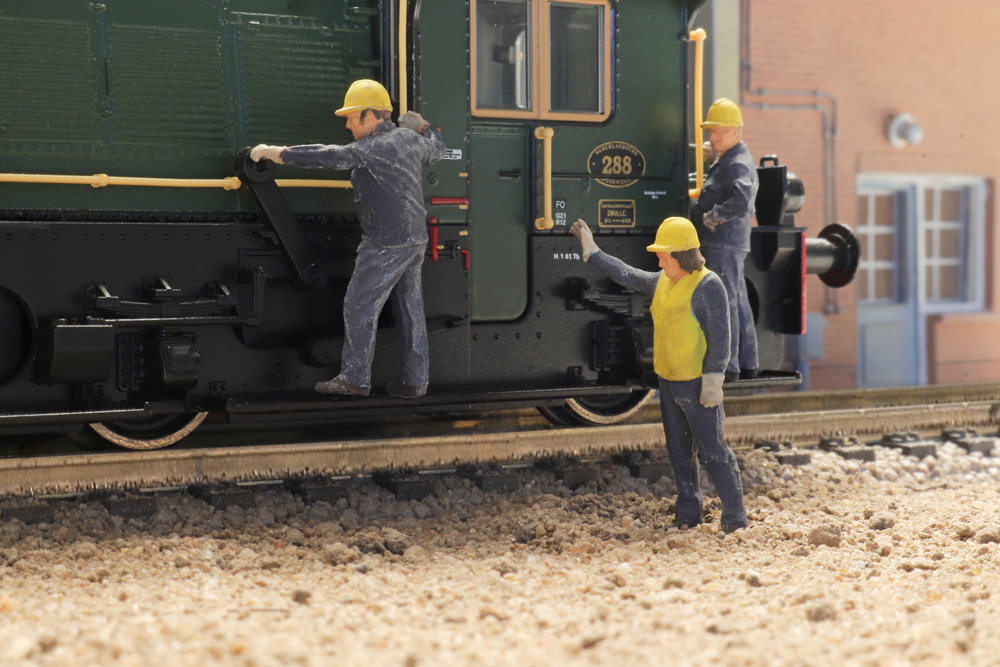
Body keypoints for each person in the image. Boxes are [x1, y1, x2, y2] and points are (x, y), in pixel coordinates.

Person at [250, 79, 445, 399]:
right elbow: (436, 151)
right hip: (414, 239)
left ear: (371, 115)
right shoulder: (408, 139)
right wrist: (425, 127)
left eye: (352, 117)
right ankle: (415, 381)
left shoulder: (375, 147)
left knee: (359, 305)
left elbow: (331, 156)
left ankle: (355, 379)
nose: (347, 124)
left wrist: (278, 153)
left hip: (386, 243)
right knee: (410, 311)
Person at [571, 216, 748, 533]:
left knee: (713, 453)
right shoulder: (662, 281)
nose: (659, 260)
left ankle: (735, 518)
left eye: (664, 254)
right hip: (668, 384)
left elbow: (722, 338)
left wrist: (713, 382)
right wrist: (594, 253)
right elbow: (627, 274)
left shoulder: (708, 286)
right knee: (679, 454)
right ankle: (688, 513)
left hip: (697, 385)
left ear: (681, 254)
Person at [696, 98, 759, 381]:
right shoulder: (730, 158)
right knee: (738, 301)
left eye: (718, 131)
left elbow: (742, 200)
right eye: (711, 132)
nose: (712, 137)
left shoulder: (737, 163)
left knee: (724, 301)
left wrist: (715, 216)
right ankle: (748, 362)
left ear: (735, 131)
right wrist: (714, 160)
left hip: (723, 242)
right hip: (728, 243)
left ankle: (729, 366)